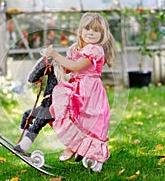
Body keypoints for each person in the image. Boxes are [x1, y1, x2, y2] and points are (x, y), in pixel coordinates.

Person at [44, 12, 117, 172]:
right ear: (81, 30)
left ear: (102, 34)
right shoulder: (79, 48)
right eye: (88, 28)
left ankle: (86, 151)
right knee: (76, 117)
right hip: (78, 86)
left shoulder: (95, 50)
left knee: (90, 122)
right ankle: (74, 145)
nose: (91, 33)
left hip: (90, 90)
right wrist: (58, 64)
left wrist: (56, 55)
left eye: (96, 30)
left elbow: (77, 66)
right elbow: (71, 67)